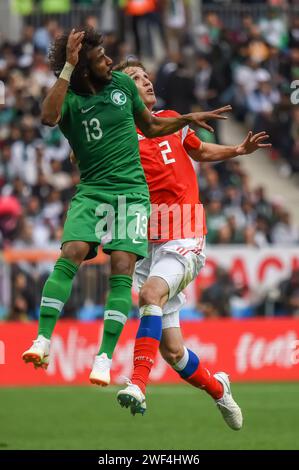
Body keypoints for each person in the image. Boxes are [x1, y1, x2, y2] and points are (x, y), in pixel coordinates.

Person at [22, 29, 231, 384]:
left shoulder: (121, 88)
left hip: (146, 206)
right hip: (99, 194)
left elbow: (154, 128)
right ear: (85, 66)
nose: (108, 60)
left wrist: (187, 120)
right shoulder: (72, 96)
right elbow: (49, 117)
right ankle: (42, 339)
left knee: (124, 270)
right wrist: (69, 67)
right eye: (101, 57)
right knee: (72, 251)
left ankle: (113, 365)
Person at [113, 60, 270, 430]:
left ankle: (137, 383)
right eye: (136, 78)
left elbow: (198, 151)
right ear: (120, 92)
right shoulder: (117, 134)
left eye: (146, 76)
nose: (147, 81)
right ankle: (219, 388)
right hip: (145, 241)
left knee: (151, 295)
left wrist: (237, 150)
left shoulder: (170, 119)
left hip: (184, 232)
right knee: (172, 352)